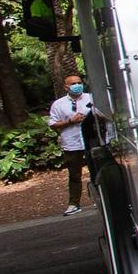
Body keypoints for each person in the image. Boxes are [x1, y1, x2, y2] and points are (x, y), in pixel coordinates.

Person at [48, 74, 97, 215]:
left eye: (79, 82)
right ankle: (74, 203)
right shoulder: (58, 104)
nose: (77, 85)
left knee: (96, 170)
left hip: (91, 140)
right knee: (74, 175)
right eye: (73, 83)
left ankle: (100, 198)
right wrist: (70, 121)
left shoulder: (91, 98)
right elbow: (53, 124)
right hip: (71, 143)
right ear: (66, 87)